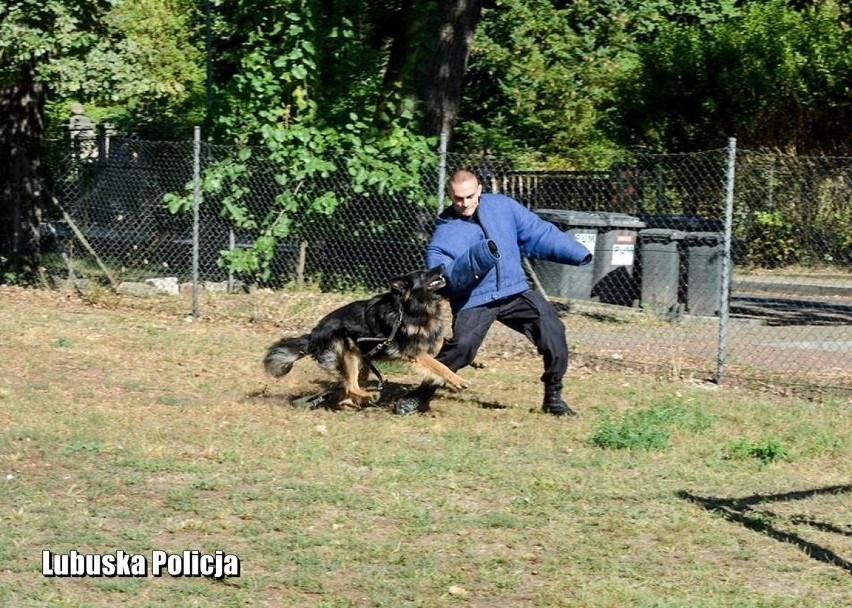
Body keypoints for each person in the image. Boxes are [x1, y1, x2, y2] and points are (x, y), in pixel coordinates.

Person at [393, 169, 593, 416]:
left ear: (479, 190)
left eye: (469, 196)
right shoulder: (445, 231)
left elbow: (536, 232)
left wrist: (575, 251)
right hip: (475, 298)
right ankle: (421, 395)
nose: (464, 203)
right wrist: (472, 262)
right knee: (463, 348)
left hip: (514, 291)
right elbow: (442, 273)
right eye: (458, 199)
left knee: (553, 330)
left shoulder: (503, 207)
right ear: (450, 196)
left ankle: (553, 398)